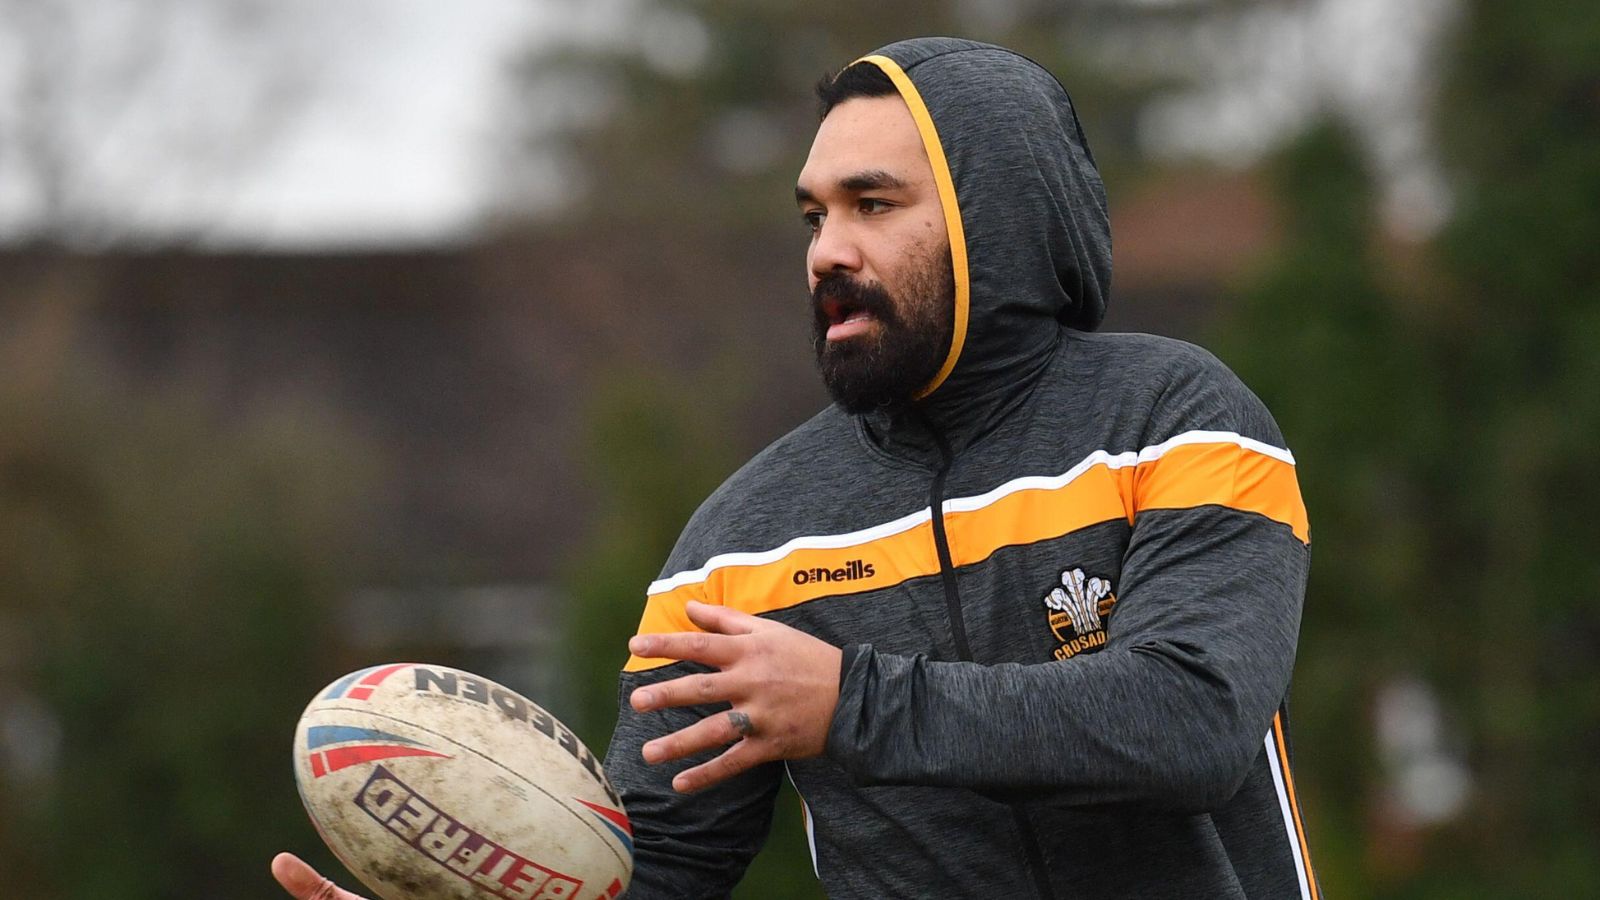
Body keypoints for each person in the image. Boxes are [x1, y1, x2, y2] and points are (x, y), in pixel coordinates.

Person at [274, 36, 1319, 900]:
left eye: (872, 204)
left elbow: (1190, 721)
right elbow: (658, 874)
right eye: (814, 214)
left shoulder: (1178, 423)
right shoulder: (737, 547)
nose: (824, 249)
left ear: (995, 220)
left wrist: (849, 705)